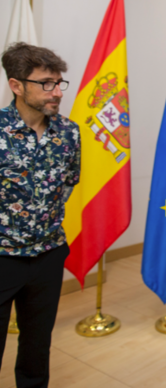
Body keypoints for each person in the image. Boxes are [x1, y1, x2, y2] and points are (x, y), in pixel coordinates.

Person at [0, 43, 81, 388]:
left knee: (37, 346)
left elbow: (69, 182)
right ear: (17, 85)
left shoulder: (68, 132)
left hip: (48, 255)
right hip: (2, 258)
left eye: (59, 83)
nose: (56, 92)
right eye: (45, 83)